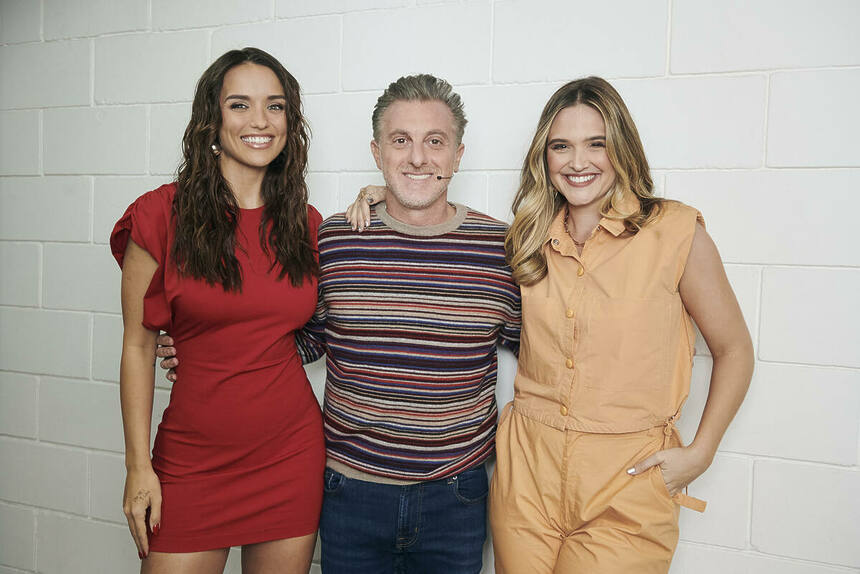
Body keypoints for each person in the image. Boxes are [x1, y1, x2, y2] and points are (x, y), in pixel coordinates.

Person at [159, 74, 521, 573]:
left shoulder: (500, 250)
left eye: (435, 142)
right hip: (349, 492)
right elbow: (299, 336)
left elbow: (547, 353)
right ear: (377, 152)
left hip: (456, 495)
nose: (418, 158)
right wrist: (207, 350)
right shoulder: (335, 239)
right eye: (401, 141)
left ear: (458, 154)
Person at [488, 77, 754, 573]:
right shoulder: (527, 238)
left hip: (628, 481)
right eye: (560, 146)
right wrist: (384, 191)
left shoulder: (675, 232)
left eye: (597, 144)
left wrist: (701, 453)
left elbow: (735, 349)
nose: (577, 161)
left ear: (622, 149)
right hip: (526, 474)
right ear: (543, 158)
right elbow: (442, 232)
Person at [111, 48, 324, 573]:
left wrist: (374, 197)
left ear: (290, 123)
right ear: (212, 119)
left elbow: (334, 322)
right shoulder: (160, 214)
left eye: (275, 106)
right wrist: (138, 466)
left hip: (289, 457)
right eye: (239, 105)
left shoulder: (308, 223)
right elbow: (138, 347)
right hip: (192, 462)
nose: (259, 121)